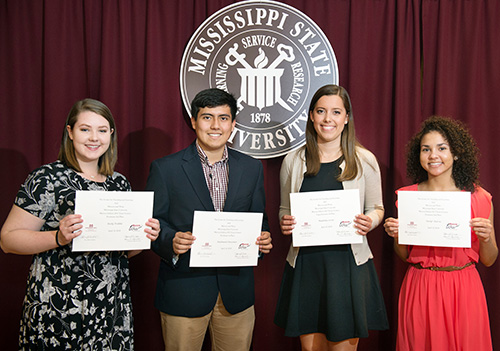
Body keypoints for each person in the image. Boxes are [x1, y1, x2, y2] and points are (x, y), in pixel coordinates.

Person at [0, 98, 160, 350]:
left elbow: (124, 253)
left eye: (102, 130)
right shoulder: (47, 178)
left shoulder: (119, 183)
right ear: (70, 133)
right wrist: (57, 237)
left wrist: (144, 237)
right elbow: (8, 240)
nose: (93, 138)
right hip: (59, 306)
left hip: (110, 308)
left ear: (111, 135)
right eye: (85, 129)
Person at [145, 88, 272, 351]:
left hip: (235, 293)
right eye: (207, 117)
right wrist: (171, 241)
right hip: (183, 290)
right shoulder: (165, 169)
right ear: (193, 121)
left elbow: (259, 221)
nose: (216, 126)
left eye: (224, 118)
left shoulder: (251, 168)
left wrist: (263, 240)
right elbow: (153, 224)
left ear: (233, 123)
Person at [274, 84, 389, 351]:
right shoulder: (294, 160)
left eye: (336, 112)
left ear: (346, 118)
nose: (328, 119)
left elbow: (378, 208)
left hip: (348, 266)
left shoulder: (364, 160)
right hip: (306, 265)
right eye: (321, 111)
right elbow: (283, 210)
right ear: (312, 116)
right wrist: (285, 221)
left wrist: (369, 221)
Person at [384, 116, 497, 351]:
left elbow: (489, 259)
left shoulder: (479, 197)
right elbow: (404, 255)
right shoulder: (408, 197)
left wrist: (486, 237)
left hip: (464, 288)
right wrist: (397, 234)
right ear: (419, 155)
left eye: (441, 148)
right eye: (426, 149)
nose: (433, 155)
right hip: (421, 286)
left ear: (456, 153)